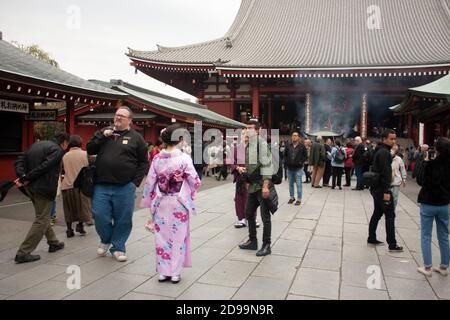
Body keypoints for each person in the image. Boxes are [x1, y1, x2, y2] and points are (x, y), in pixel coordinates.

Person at [87, 106, 149, 262]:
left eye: (122, 116)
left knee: (123, 218)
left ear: (129, 120)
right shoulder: (104, 133)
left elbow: (143, 162)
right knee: (99, 215)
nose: (118, 118)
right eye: (117, 115)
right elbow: (90, 149)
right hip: (101, 184)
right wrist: (102, 135)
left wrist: (134, 183)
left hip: (125, 186)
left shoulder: (136, 138)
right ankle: (106, 239)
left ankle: (118, 247)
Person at [141, 124, 201, 283]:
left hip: (161, 201)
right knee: (178, 237)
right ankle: (175, 272)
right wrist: (187, 188)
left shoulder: (157, 158)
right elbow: (195, 181)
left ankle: (163, 272)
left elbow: (149, 182)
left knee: (161, 236)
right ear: (180, 139)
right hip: (179, 201)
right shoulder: (183, 158)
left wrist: (149, 200)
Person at [14, 132, 69, 263]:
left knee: (42, 216)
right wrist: (27, 177)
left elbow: (19, 160)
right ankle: (23, 252)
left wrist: (22, 175)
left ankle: (53, 242)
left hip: (31, 187)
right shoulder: (57, 150)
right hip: (43, 188)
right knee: (42, 219)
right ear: (64, 142)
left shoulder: (35, 145)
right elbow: (45, 167)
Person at [416, 137, 450, 277]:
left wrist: (424, 162)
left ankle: (428, 267)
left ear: (436, 149)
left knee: (426, 235)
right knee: (443, 235)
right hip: (444, 204)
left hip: (428, 202)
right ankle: (444, 266)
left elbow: (420, 180)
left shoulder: (430, 164)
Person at [238, 120, 273, 257]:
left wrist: (265, 186)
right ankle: (253, 240)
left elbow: (267, 166)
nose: (248, 130)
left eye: (251, 128)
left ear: (258, 130)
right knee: (248, 213)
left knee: (265, 217)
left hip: (261, 184)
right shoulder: (250, 144)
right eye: (247, 128)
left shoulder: (262, 144)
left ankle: (266, 244)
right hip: (252, 185)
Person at [367, 129, 403, 252]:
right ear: (384, 139)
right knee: (390, 215)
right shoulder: (384, 153)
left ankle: (371, 237)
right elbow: (386, 174)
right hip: (382, 189)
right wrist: (387, 191)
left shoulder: (380, 150)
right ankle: (392, 244)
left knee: (377, 213)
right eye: (391, 139)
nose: (393, 141)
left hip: (376, 188)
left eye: (395, 138)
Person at [61, 135, 92, 238]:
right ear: (80, 143)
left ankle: (69, 230)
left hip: (67, 185)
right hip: (81, 186)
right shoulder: (86, 154)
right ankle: (80, 225)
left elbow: (62, 170)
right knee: (82, 208)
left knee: (68, 208)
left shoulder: (64, 156)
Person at [284, 130, 307, 205]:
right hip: (290, 168)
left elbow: (305, 156)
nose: (294, 137)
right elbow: (285, 155)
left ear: (298, 137)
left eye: (296, 135)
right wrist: (287, 162)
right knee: (290, 184)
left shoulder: (302, 146)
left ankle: (299, 199)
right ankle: (292, 197)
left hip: (298, 169)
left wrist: (301, 162)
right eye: (293, 135)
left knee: (298, 184)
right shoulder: (288, 145)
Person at [390, 144, 407, 210]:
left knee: (395, 196)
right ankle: (387, 209)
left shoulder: (399, 159)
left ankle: (393, 209)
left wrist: (404, 179)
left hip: (396, 180)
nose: (393, 151)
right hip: (387, 180)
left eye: (395, 150)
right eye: (392, 149)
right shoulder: (386, 157)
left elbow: (402, 169)